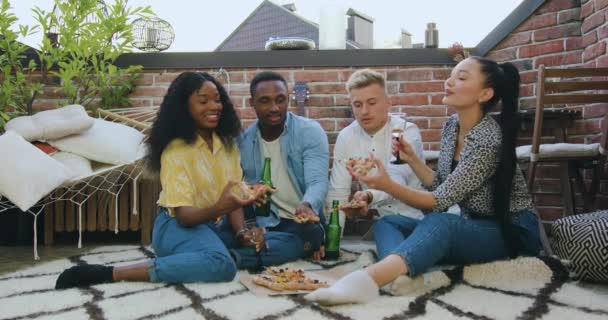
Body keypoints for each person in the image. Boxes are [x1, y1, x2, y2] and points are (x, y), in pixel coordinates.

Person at [305, 57, 547, 305]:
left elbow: (438, 201)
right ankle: (400, 275)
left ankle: (366, 280)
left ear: (485, 94)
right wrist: (412, 160)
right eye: (451, 75)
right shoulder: (452, 126)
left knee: (441, 223)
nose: (449, 81)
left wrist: (385, 184)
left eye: (461, 77)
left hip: (512, 232)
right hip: (473, 225)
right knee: (387, 223)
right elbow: (440, 184)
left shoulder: (487, 140)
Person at [55, 72, 262, 289]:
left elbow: (235, 198)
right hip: (177, 227)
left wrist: (241, 232)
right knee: (222, 266)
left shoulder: (227, 145)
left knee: (271, 243)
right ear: (184, 107)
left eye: (218, 99)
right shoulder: (175, 151)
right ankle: (111, 272)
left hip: (215, 227)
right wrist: (222, 206)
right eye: (203, 101)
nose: (214, 106)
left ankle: (210, 256)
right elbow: (184, 217)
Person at [214, 71, 330, 269]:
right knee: (219, 235)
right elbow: (238, 191)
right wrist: (244, 230)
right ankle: (253, 247)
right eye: (265, 101)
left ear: (288, 98)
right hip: (260, 220)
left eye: (280, 99)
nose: (274, 108)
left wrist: (307, 204)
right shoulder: (242, 142)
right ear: (252, 103)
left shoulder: (310, 131)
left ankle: (231, 259)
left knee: (305, 236)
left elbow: (317, 181)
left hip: (299, 222)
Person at [326, 69, 425, 244]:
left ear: (388, 103)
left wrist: (368, 196)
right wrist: (332, 242)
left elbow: (397, 180)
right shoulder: (346, 136)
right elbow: (338, 191)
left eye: (372, 103)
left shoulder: (404, 131)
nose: (364, 111)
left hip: (414, 219)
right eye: (357, 104)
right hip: (378, 225)